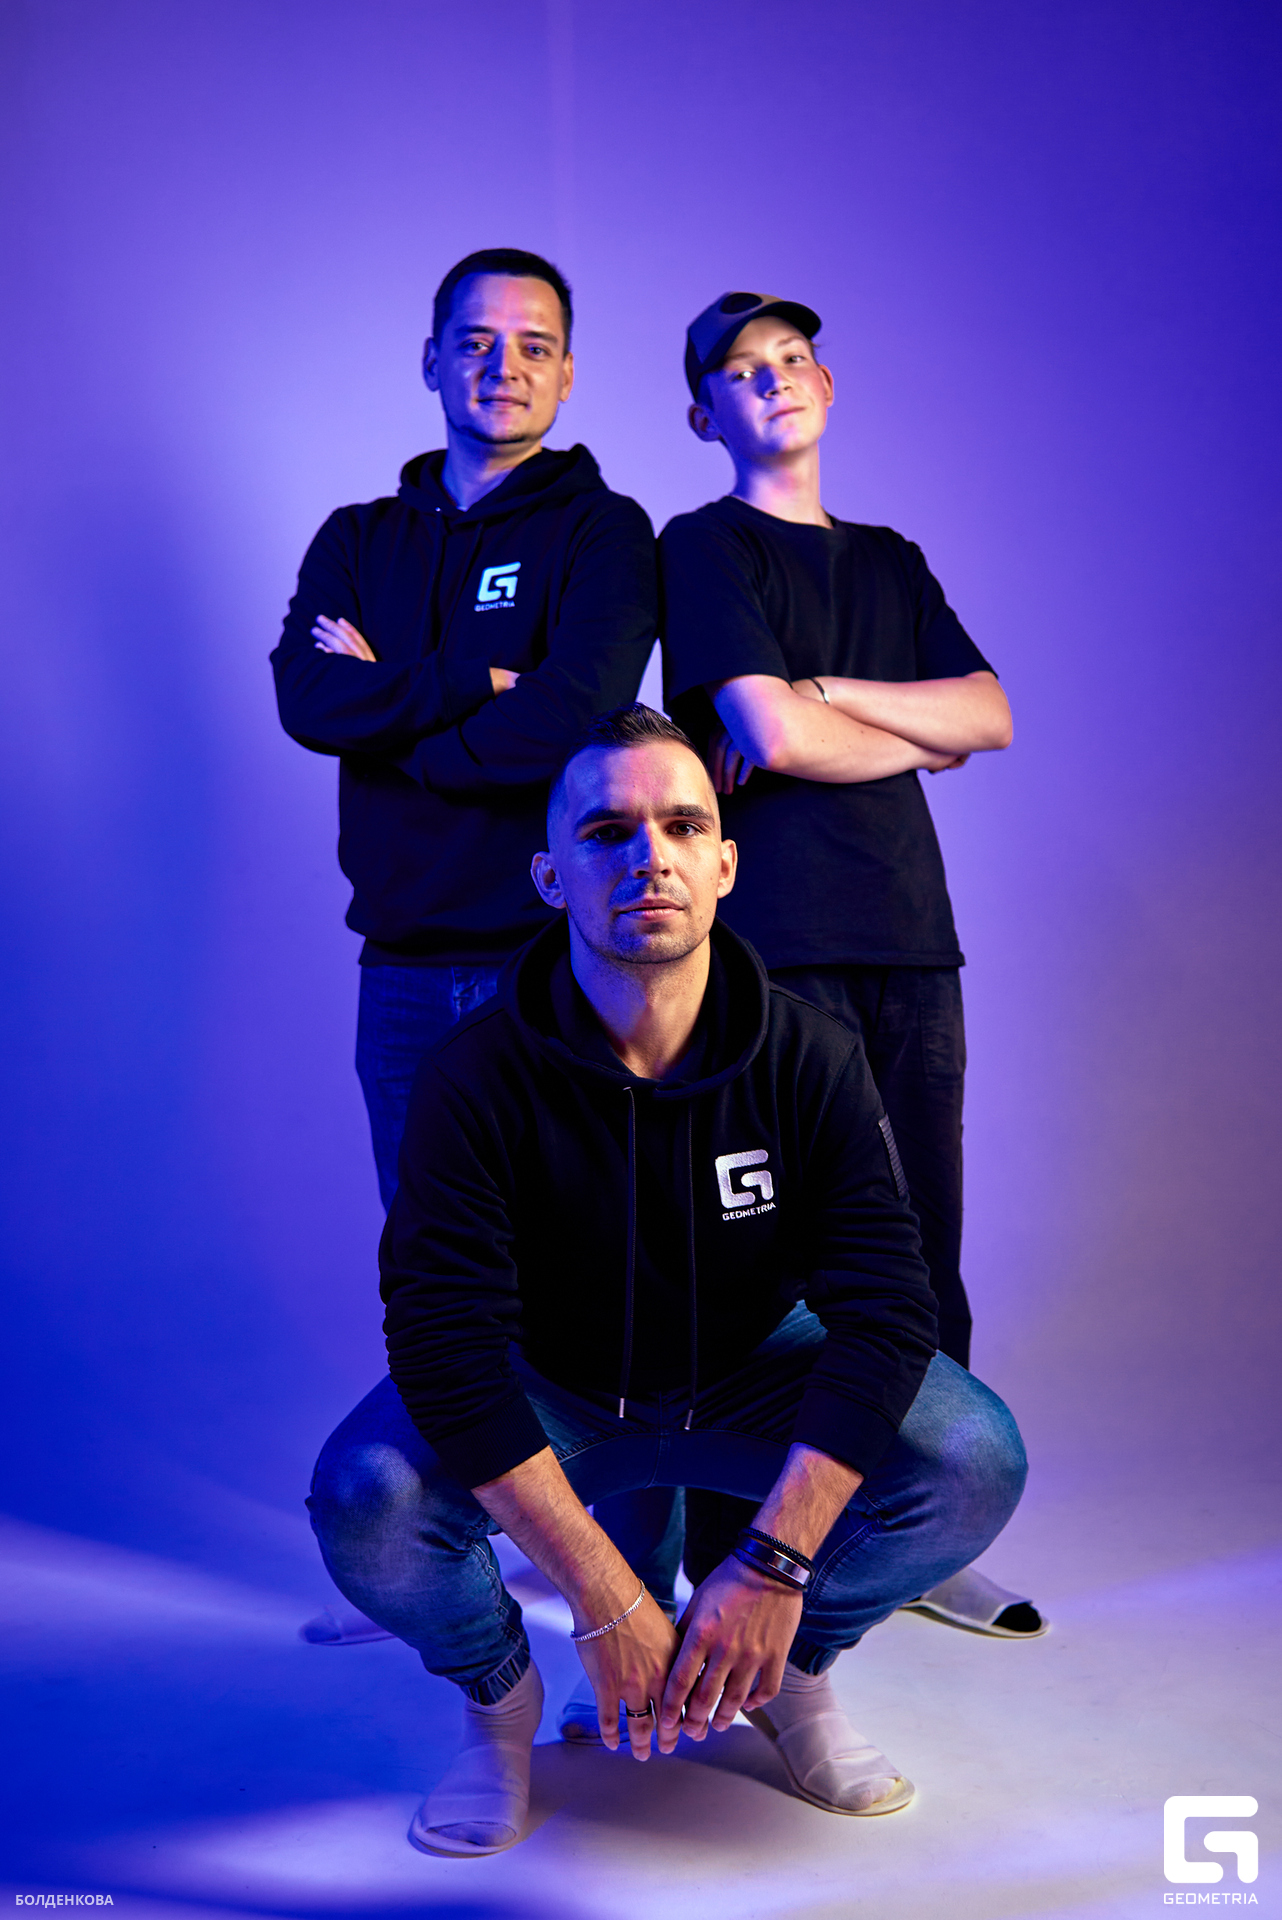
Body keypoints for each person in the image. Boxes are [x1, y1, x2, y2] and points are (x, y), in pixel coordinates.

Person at [306, 704, 1028, 1857]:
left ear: (724, 864)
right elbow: (443, 1341)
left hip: (749, 1371)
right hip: (559, 1387)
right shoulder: (473, 1076)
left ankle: (784, 1673)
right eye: (608, 831)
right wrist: (607, 1602)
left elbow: (890, 1307)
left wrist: (772, 1569)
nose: (649, 855)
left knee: (972, 1456)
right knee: (365, 1498)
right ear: (550, 875)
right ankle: (500, 1707)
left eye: (683, 825)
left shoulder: (809, 1055)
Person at [609, 290, 1039, 1657]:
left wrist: (830, 694)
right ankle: (752, 1546)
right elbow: (767, 736)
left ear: (827, 385)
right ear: (704, 413)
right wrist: (885, 725)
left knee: (922, 1242)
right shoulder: (703, 545)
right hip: (778, 946)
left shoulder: (890, 560)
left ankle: (923, 1524)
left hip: (911, 939)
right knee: (773, 1251)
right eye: (741, 371)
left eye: (790, 359)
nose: (772, 381)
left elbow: (991, 715)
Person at [271, 247, 656, 1216]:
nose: (503, 367)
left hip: (551, 957)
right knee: (430, 1261)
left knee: (574, 1250)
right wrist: (470, 680)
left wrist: (390, 721)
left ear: (566, 373)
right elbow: (308, 701)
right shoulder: (357, 539)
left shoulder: (603, 531)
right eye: (475, 342)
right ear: (431, 359)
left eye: (534, 346)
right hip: (398, 968)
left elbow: (568, 719)